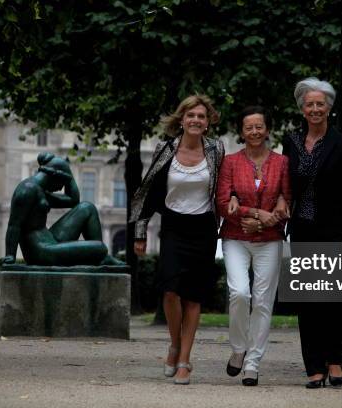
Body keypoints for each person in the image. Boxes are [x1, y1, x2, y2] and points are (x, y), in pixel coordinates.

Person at [129, 95, 225, 385]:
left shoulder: (216, 150)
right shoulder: (165, 149)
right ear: (181, 120)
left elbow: (224, 187)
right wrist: (140, 232)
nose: (196, 120)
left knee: (193, 297)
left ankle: (184, 359)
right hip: (172, 227)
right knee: (170, 291)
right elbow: (146, 190)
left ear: (207, 123)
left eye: (201, 116)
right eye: (190, 115)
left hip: (204, 229)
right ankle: (173, 344)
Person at [282, 77, 342, 388]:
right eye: (310, 104)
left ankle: (334, 361)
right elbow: (285, 184)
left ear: (329, 108)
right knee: (308, 302)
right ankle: (313, 367)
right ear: (302, 109)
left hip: (336, 230)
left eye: (321, 104)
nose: (315, 109)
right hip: (303, 230)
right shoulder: (290, 141)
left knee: (335, 299)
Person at [216, 106, 291, 386]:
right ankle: (238, 348)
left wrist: (262, 222)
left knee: (262, 302)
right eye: (249, 127)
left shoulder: (282, 163)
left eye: (259, 126)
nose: (255, 131)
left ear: (268, 130)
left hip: (269, 240)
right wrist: (257, 214)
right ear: (241, 131)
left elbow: (286, 200)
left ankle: (252, 361)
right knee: (239, 293)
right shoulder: (230, 162)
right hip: (235, 237)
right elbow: (223, 204)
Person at [1, 152, 121, 266]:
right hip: (40, 251)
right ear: (54, 176)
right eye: (62, 184)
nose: (60, 189)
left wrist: (69, 178)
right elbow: (14, 225)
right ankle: (100, 256)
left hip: (50, 240)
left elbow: (74, 200)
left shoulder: (41, 191)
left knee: (87, 208)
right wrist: (10, 256)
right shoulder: (27, 190)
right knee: (100, 248)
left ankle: (101, 259)